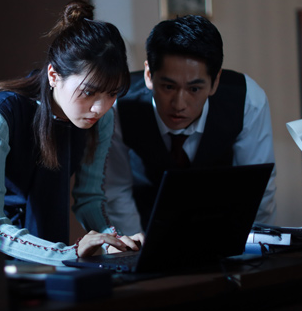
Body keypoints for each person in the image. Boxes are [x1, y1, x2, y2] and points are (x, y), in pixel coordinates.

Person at [0, 0, 144, 265]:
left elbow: (89, 197)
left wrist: (114, 241)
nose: (100, 107)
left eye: (112, 93)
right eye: (89, 92)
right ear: (53, 75)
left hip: (16, 222)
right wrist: (69, 253)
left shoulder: (102, 118)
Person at [105, 15, 276, 236]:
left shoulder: (248, 100)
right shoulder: (120, 106)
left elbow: (257, 189)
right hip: (144, 223)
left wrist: (248, 246)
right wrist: (136, 248)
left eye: (194, 89)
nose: (179, 104)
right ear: (149, 75)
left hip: (221, 226)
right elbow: (116, 190)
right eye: (168, 87)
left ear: (215, 81)